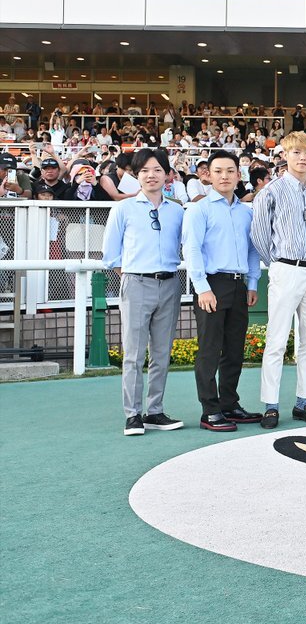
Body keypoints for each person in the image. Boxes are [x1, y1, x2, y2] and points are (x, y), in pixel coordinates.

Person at [100, 149, 186, 437]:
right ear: (136, 175)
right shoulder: (123, 209)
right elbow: (111, 254)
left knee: (162, 353)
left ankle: (155, 411)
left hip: (170, 283)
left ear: (167, 175)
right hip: (136, 283)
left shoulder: (177, 210)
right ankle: (133, 414)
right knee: (134, 354)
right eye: (145, 170)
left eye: (158, 170)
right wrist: (133, 275)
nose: (151, 175)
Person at [250, 131, 306, 429]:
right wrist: (278, 263)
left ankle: (303, 401)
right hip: (286, 268)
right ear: (285, 155)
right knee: (277, 339)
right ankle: (270, 405)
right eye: (296, 152)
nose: (302, 157)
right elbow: (259, 235)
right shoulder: (270, 192)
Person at [182, 151, 263, 432]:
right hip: (211, 285)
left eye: (230, 171)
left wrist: (252, 283)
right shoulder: (199, 210)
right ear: (208, 175)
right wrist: (202, 288)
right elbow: (192, 249)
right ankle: (210, 410)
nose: (224, 176)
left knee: (234, 349)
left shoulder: (246, 212)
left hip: (239, 285)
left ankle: (230, 404)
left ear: (239, 175)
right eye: (218, 171)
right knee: (209, 349)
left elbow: (253, 250)